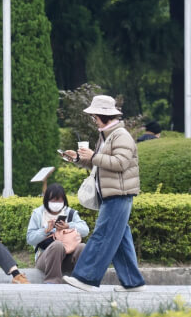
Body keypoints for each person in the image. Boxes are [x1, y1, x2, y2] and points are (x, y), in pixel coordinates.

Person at [62, 95, 146, 292]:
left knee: (102, 235)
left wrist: (94, 156)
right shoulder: (107, 135)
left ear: (102, 116)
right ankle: (133, 282)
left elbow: (119, 163)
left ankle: (86, 278)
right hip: (113, 194)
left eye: (94, 117)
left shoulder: (121, 135)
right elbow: (99, 163)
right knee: (119, 240)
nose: (93, 120)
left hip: (119, 194)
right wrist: (77, 159)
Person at [26, 183, 89, 283]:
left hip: (68, 258)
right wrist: (45, 231)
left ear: (64, 200)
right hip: (44, 259)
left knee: (82, 247)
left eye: (59, 200)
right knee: (57, 245)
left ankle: (81, 280)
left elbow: (85, 230)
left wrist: (68, 226)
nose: (56, 203)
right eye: (53, 200)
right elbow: (30, 239)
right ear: (46, 200)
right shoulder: (38, 214)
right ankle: (52, 281)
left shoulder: (70, 213)